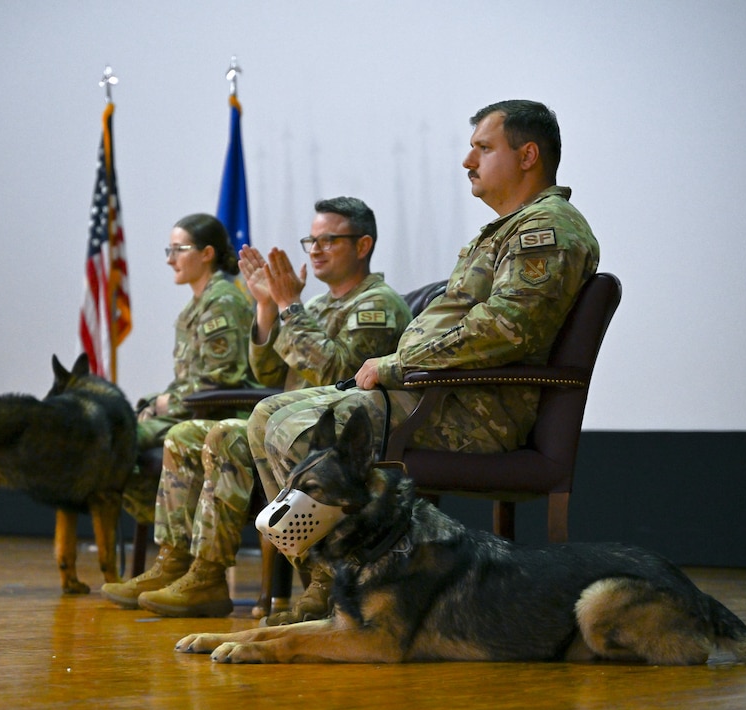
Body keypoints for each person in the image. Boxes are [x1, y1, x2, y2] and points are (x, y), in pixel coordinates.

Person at [247, 100, 601, 611]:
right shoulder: (507, 229)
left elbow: (508, 328)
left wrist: (396, 366)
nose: (467, 161)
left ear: (527, 155)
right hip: (431, 392)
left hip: (471, 407)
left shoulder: (549, 229)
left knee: (295, 427)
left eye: (483, 147)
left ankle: (344, 582)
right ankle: (327, 578)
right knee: (265, 415)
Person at [102, 197, 411, 617]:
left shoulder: (378, 304)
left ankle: (322, 579)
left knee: (224, 435)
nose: (315, 250)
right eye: (311, 240)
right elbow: (266, 374)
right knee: (186, 434)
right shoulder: (315, 306)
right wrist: (266, 306)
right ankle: (190, 568)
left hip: (332, 441)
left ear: (362, 246)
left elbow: (337, 373)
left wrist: (288, 306)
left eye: (329, 240)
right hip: (287, 428)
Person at [116, 213, 258, 532]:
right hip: (191, 408)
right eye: (169, 251)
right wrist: (153, 403)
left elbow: (223, 378)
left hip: (219, 412)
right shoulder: (196, 306)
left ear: (206, 254)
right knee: (117, 434)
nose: (171, 260)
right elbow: (189, 377)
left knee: (117, 440)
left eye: (178, 249)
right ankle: (173, 541)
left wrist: (170, 403)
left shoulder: (223, 302)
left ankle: (177, 547)